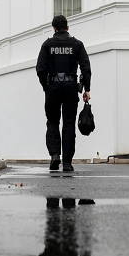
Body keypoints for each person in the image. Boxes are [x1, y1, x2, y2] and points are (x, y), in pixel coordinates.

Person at [36, 15, 92, 172]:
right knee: (68, 124)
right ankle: (67, 162)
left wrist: (46, 87)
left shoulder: (47, 44)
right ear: (67, 27)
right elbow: (86, 68)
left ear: (54, 28)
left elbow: (40, 69)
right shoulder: (77, 44)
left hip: (53, 87)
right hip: (70, 88)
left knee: (52, 122)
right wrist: (86, 89)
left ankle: (55, 156)